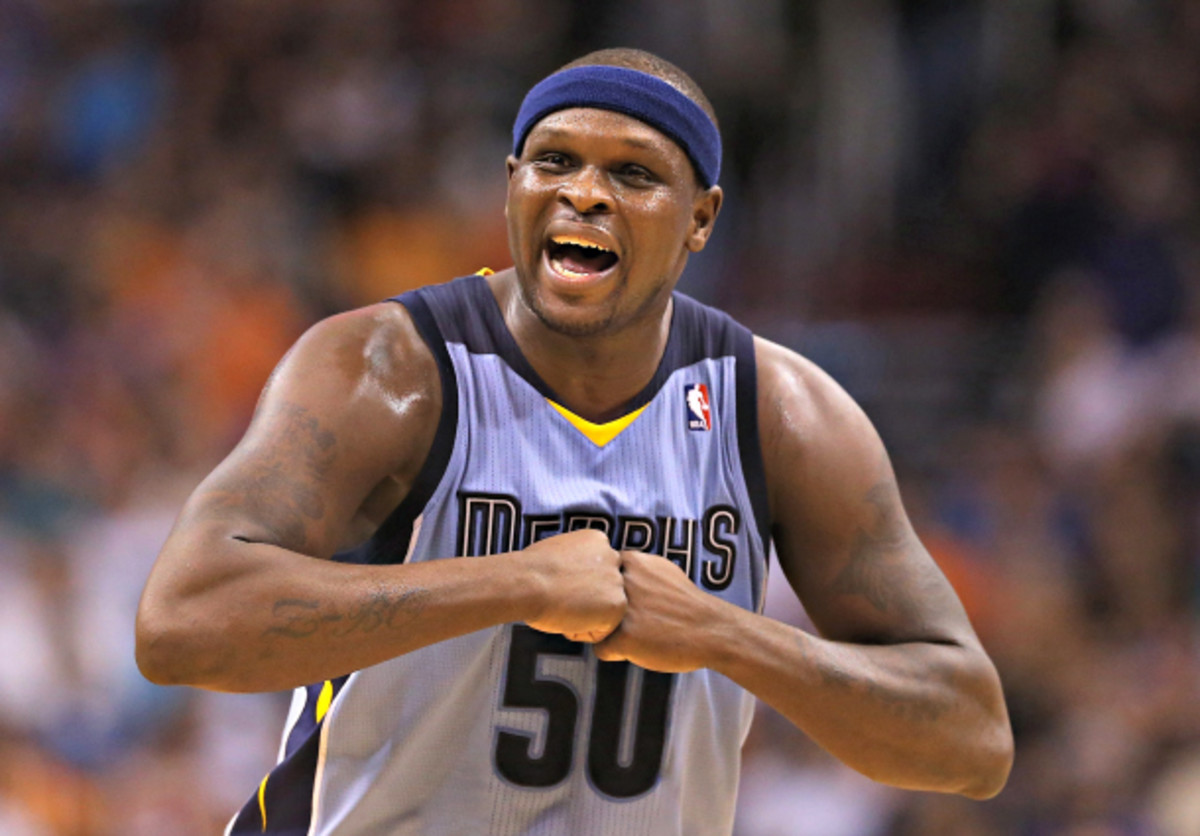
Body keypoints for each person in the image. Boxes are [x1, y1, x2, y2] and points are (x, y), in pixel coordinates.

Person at [136, 47, 1013, 836]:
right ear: (512, 182)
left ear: (701, 219)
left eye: (633, 173)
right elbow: (181, 622)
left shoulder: (777, 414)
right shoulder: (387, 367)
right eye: (555, 160)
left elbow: (972, 741)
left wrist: (724, 635)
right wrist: (514, 580)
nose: (585, 191)